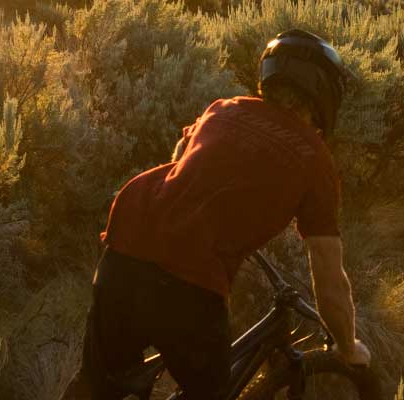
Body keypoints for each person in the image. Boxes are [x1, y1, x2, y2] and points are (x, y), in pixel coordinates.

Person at [75, 29, 371, 400]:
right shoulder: (315, 160)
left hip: (122, 252)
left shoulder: (223, 109)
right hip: (189, 287)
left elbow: (181, 159)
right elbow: (329, 279)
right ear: (325, 93)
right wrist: (347, 346)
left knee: (97, 386)